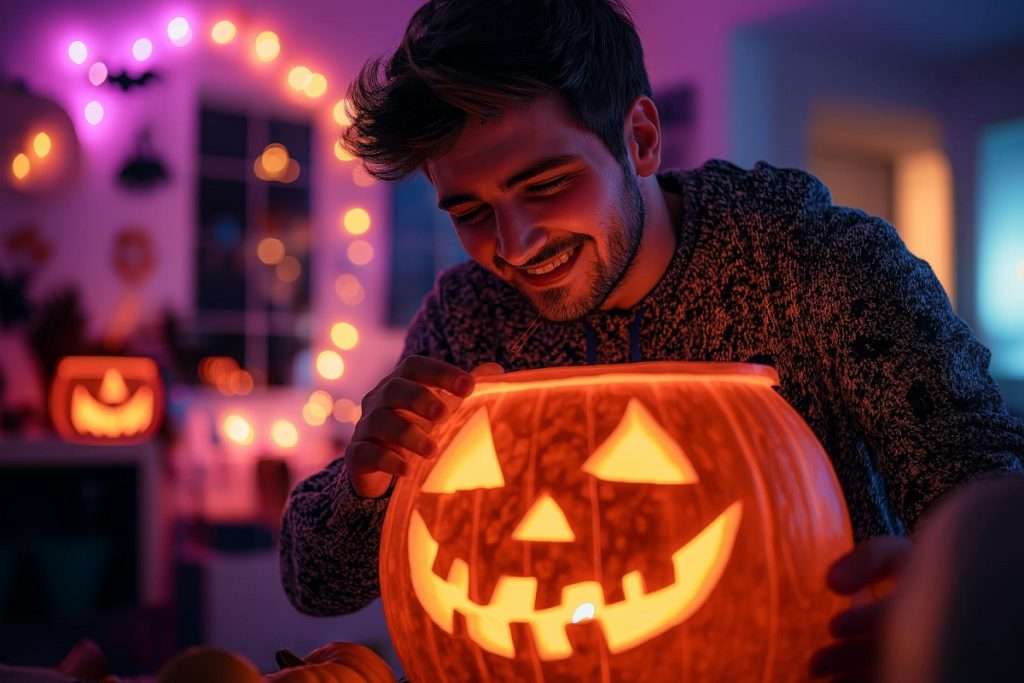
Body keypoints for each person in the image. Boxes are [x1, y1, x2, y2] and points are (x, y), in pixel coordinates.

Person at [280, 0, 1024, 678]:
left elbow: (989, 497)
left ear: (638, 139)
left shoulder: (817, 265)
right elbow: (315, 583)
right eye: (470, 210)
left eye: (545, 184)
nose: (514, 243)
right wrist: (362, 484)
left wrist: (932, 596)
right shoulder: (468, 319)